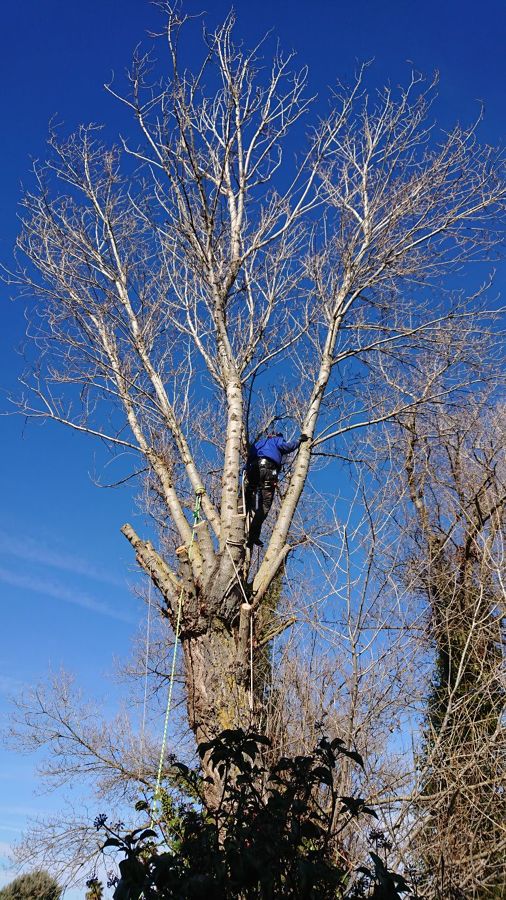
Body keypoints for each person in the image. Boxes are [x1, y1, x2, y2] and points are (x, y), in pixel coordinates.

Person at [245, 431, 309, 548]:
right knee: (265, 504)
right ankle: (252, 536)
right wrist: (298, 441)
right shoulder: (277, 440)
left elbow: (249, 458)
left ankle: (243, 511)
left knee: (248, 494)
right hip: (269, 470)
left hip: (253, 469)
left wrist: (246, 470)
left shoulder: (259, 443)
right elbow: (285, 447)